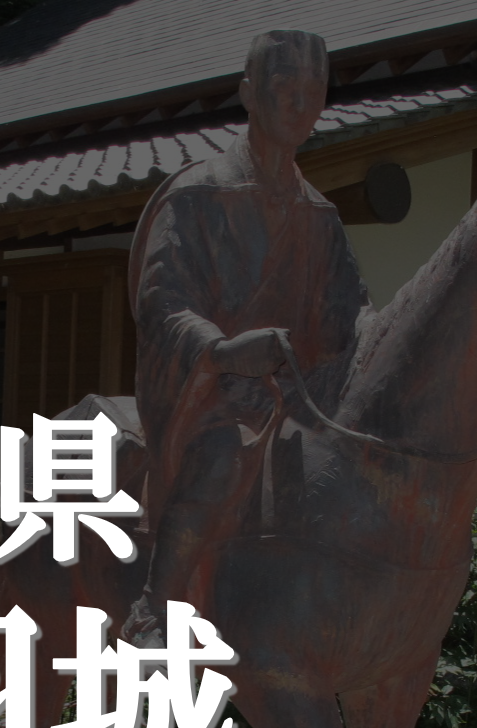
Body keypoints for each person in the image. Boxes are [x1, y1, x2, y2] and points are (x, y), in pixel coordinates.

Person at [121, 29, 369, 643]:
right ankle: (156, 603)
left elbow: (350, 315)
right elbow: (163, 300)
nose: (301, 104)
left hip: (302, 396)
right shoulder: (197, 194)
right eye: (285, 86)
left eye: (315, 89)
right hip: (213, 393)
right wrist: (223, 349)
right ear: (249, 94)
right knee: (220, 453)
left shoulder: (320, 214)